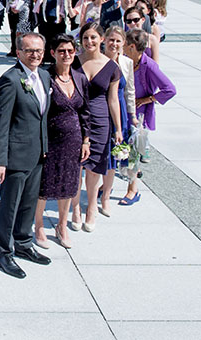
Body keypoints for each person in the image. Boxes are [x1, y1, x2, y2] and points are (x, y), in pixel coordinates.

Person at [0, 32, 53, 279]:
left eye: (39, 50)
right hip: (16, 156)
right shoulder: (10, 80)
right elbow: (2, 124)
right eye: (29, 51)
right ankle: (4, 253)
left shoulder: (45, 76)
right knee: (10, 206)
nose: (35, 55)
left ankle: (24, 243)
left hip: (38, 153)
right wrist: (1, 160)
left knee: (29, 204)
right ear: (18, 53)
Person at [33, 34, 90, 249]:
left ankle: (62, 224)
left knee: (69, 184)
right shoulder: (45, 77)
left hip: (74, 141)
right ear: (53, 53)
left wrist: (86, 140)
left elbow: (85, 111)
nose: (66, 54)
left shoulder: (79, 77)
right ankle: (38, 224)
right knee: (44, 184)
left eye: (70, 50)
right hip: (50, 139)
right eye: (62, 51)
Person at [73, 22, 123, 232]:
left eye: (93, 37)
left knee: (94, 167)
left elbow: (113, 99)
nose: (89, 42)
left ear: (102, 39)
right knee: (75, 166)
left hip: (100, 120)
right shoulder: (73, 61)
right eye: (85, 38)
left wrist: (118, 128)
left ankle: (92, 206)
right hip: (75, 117)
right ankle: (75, 207)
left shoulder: (111, 66)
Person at [122, 28, 176, 205]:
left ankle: (133, 189)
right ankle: (106, 185)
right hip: (123, 109)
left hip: (139, 113)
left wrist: (148, 99)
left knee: (134, 151)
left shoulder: (148, 65)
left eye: (124, 45)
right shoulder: (124, 61)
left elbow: (170, 89)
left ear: (131, 46)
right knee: (120, 147)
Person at [102, 26, 137, 215]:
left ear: (123, 42)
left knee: (115, 154)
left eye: (118, 41)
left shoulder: (126, 63)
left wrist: (132, 115)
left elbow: (130, 90)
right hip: (101, 109)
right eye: (111, 40)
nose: (114, 44)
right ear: (104, 40)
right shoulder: (97, 60)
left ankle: (106, 193)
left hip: (120, 110)